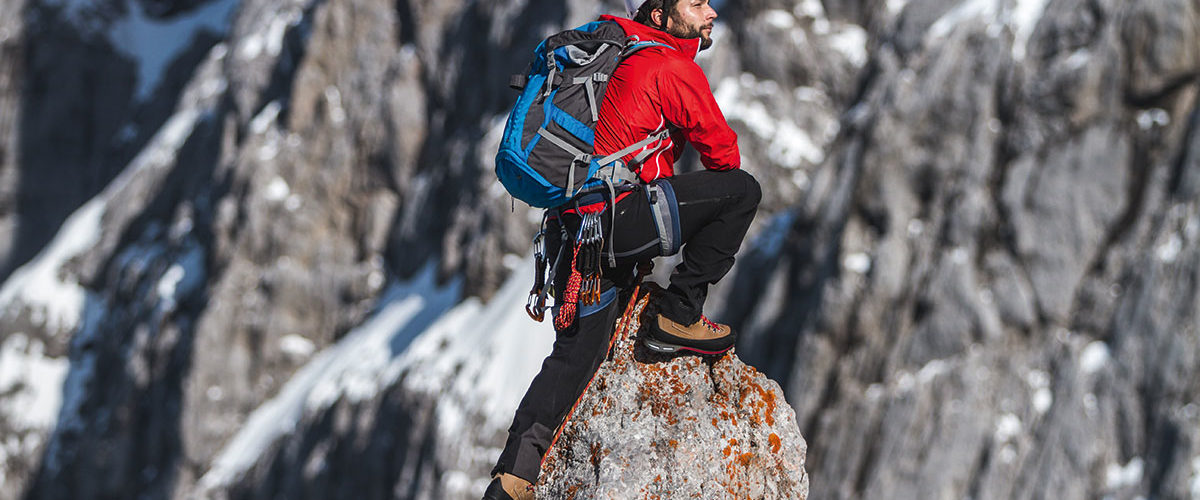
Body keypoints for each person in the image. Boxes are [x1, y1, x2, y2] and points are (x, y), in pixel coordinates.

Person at [483, 0, 760, 498]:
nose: (711, 12)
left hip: (576, 231)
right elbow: (724, 155)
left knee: (577, 354)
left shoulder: (614, 50)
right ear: (659, 15)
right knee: (742, 191)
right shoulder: (667, 64)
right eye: (695, 4)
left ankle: (513, 477)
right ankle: (677, 313)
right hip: (620, 221)